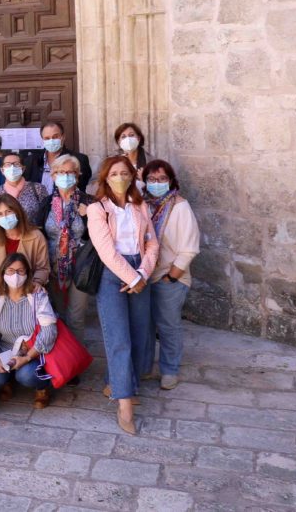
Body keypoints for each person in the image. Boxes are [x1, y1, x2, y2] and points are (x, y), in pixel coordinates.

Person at [87, 155, 159, 435]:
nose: (120, 177)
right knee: (118, 338)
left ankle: (116, 382)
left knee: (140, 334)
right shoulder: (97, 209)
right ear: (105, 178)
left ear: (132, 176)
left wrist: (141, 274)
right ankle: (124, 404)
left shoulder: (140, 206)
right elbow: (106, 251)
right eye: (114, 173)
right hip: (111, 274)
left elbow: (152, 243)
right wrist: (131, 277)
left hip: (140, 269)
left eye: (124, 172)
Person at [143, 160, 200, 390]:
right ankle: (145, 366)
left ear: (171, 181)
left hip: (169, 276)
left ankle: (169, 369)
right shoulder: (144, 205)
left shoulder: (180, 206)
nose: (157, 183)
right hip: (146, 275)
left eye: (162, 179)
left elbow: (190, 248)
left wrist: (172, 277)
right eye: (152, 179)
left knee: (168, 326)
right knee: (144, 326)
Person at [0, 253, 57, 408]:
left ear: (27, 274)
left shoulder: (37, 296)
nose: (15, 275)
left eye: (20, 271)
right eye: (10, 270)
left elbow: (49, 331)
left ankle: (42, 388)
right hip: (5, 351)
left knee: (26, 375)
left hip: (33, 352)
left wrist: (27, 357)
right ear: (3, 273)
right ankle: (6, 382)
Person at [38, 154, 95, 345]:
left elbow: (98, 235)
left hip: (81, 267)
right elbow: (39, 233)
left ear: (78, 176)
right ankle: (63, 360)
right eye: (61, 172)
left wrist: (89, 217)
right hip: (53, 266)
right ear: (53, 176)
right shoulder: (46, 203)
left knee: (76, 316)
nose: (66, 176)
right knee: (57, 315)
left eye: (70, 172)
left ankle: (77, 363)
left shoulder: (89, 202)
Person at [0, 195, 50, 308]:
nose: (5, 217)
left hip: (27, 294)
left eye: (8, 212)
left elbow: (43, 268)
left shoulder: (36, 236)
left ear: (17, 212)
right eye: (0, 214)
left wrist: (37, 282)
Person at [23, 122, 92, 193]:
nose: (51, 141)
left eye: (55, 137)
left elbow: (82, 186)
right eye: (47, 138)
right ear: (42, 140)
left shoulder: (80, 160)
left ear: (63, 137)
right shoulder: (31, 160)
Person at [0, 151, 49, 227]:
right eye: (8, 165)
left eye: (16, 164)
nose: (12, 168)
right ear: (2, 170)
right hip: (4, 237)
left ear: (23, 169)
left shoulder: (38, 189)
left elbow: (46, 216)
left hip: (33, 236)